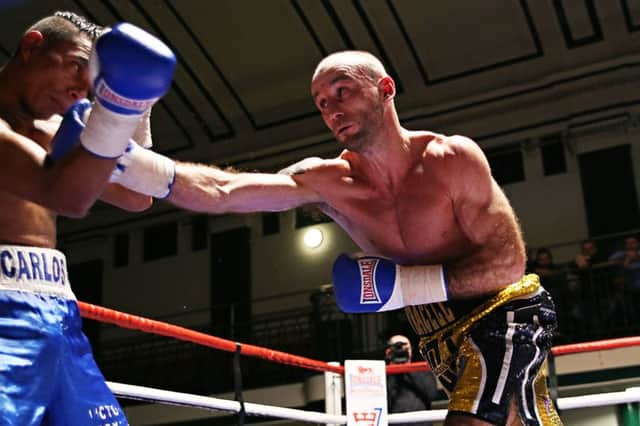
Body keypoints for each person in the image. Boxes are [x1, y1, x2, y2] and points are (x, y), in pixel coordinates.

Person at [106, 50, 562, 425]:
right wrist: (134, 164)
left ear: (385, 89)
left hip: (506, 315)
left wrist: (402, 288)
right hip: (437, 336)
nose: (332, 109)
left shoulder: (450, 158)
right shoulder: (327, 182)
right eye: (321, 103)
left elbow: (507, 266)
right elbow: (226, 191)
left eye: (342, 91)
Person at [0, 11, 175, 425]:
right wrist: (116, 108)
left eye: (94, 80)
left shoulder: (52, 128)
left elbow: (137, 196)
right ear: (31, 46)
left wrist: (137, 104)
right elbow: (67, 194)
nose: (83, 88)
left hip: (59, 313)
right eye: (78, 66)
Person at [385, 335, 437, 426]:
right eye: (396, 347)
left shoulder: (422, 370)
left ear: (410, 350)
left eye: (405, 346)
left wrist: (408, 367)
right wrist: (393, 367)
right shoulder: (384, 374)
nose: (401, 349)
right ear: (389, 352)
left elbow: (431, 394)